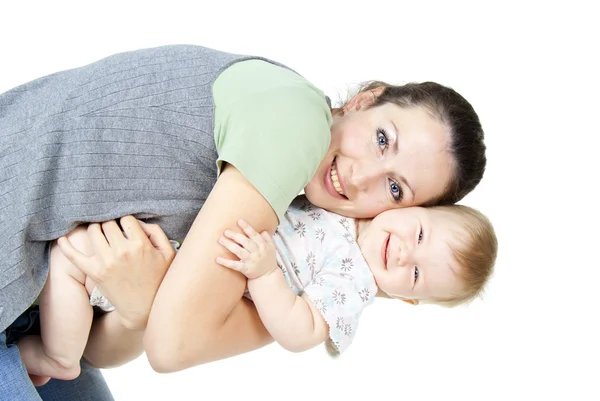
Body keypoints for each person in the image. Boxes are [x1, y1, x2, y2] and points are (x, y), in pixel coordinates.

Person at [0, 43, 487, 399]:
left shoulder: (299, 231)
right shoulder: (295, 124)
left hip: (35, 298)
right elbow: (170, 346)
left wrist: (136, 306)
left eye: (395, 189)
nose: (362, 177)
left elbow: (109, 349)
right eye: (383, 139)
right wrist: (149, 307)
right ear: (365, 99)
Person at [215, 196, 497, 355]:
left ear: (405, 298)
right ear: (417, 205)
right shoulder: (358, 200)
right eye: (420, 235)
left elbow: (301, 332)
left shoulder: (355, 282)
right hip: (225, 209)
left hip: (226, 268)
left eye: (415, 274)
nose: (404, 254)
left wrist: (265, 274)